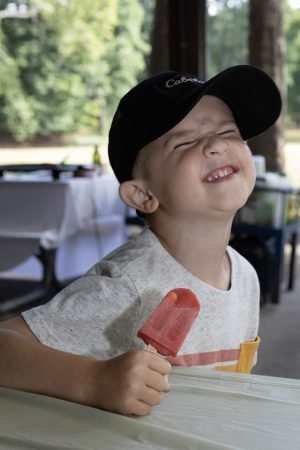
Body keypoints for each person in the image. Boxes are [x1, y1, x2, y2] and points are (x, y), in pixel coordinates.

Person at [0, 65, 281, 416]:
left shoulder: (246, 277)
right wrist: (93, 380)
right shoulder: (127, 286)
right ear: (142, 195)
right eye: (186, 141)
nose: (216, 144)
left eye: (228, 131)